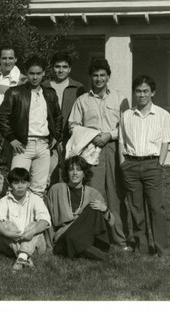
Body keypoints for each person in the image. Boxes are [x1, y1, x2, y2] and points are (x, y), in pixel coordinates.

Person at [68, 58, 130, 250]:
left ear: (108, 76)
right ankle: (99, 239)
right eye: (95, 75)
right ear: (91, 77)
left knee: (116, 194)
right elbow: (73, 125)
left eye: (102, 75)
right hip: (90, 151)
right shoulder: (82, 101)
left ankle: (120, 240)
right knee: (95, 194)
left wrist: (109, 135)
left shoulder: (120, 99)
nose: (99, 79)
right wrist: (92, 135)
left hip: (113, 149)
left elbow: (127, 126)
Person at [119, 75, 170, 257]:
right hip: (131, 165)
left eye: (145, 91)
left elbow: (166, 142)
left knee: (156, 208)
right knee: (136, 208)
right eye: (138, 91)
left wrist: (160, 164)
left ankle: (162, 249)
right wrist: (123, 163)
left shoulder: (162, 115)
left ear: (153, 93)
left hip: (152, 165)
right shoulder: (127, 115)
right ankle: (141, 248)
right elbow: (121, 141)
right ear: (134, 93)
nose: (141, 95)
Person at [0, 56, 62, 197]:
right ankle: (12, 218)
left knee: (39, 188)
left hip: (44, 145)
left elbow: (58, 117)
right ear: (26, 73)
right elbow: (2, 117)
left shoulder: (50, 94)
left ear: (44, 73)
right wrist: (11, 138)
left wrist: (55, 136)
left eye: (38, 73)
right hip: (23, 146)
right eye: (32, 73)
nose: (35, 77)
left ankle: (34, 218)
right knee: (16, 185)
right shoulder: (15, 92)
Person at [45, 156, 115, 261]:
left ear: (84, 173)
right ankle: (103, 257)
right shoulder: (56, 190)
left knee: (94, 207)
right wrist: (49, 247)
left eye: (79, 170)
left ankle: (89, 249)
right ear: (66, 172)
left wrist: (105, 210)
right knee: (71, 237)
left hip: (86, 236)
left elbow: (111, 223)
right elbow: (47, 219)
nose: (74, 173)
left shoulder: (93, 193)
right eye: (71, 169)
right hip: (64, 237)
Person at [0, 46, 26, 202]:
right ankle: (11, 198)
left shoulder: (22, 80)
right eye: (4, 58)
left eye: (10, 58)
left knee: (14, 169)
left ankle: (18, 202)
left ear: (15, 60)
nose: (7, 61)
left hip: (11, 131)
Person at [0, 167, 51, 271]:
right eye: (16, 183)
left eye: (23, 182)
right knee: (6, 224)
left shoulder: (35, 199)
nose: (20, 186)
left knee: (34, 225)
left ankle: (21, 257)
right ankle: (25, 257)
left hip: (35, 244)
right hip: (9, 244)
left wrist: (32, 232)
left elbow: (45, 221)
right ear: (10, 185)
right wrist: (7, 233)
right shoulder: (4, 201)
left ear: (28, 184)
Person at [42, 51, 86, 181]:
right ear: (52, 67)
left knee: (69, 175)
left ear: (70, 69)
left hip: (70, 139)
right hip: (49, 138)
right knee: (48, 175)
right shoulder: (43, 87)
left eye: (64, 67)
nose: (61, 70)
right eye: (57, 66)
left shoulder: (78, 88)